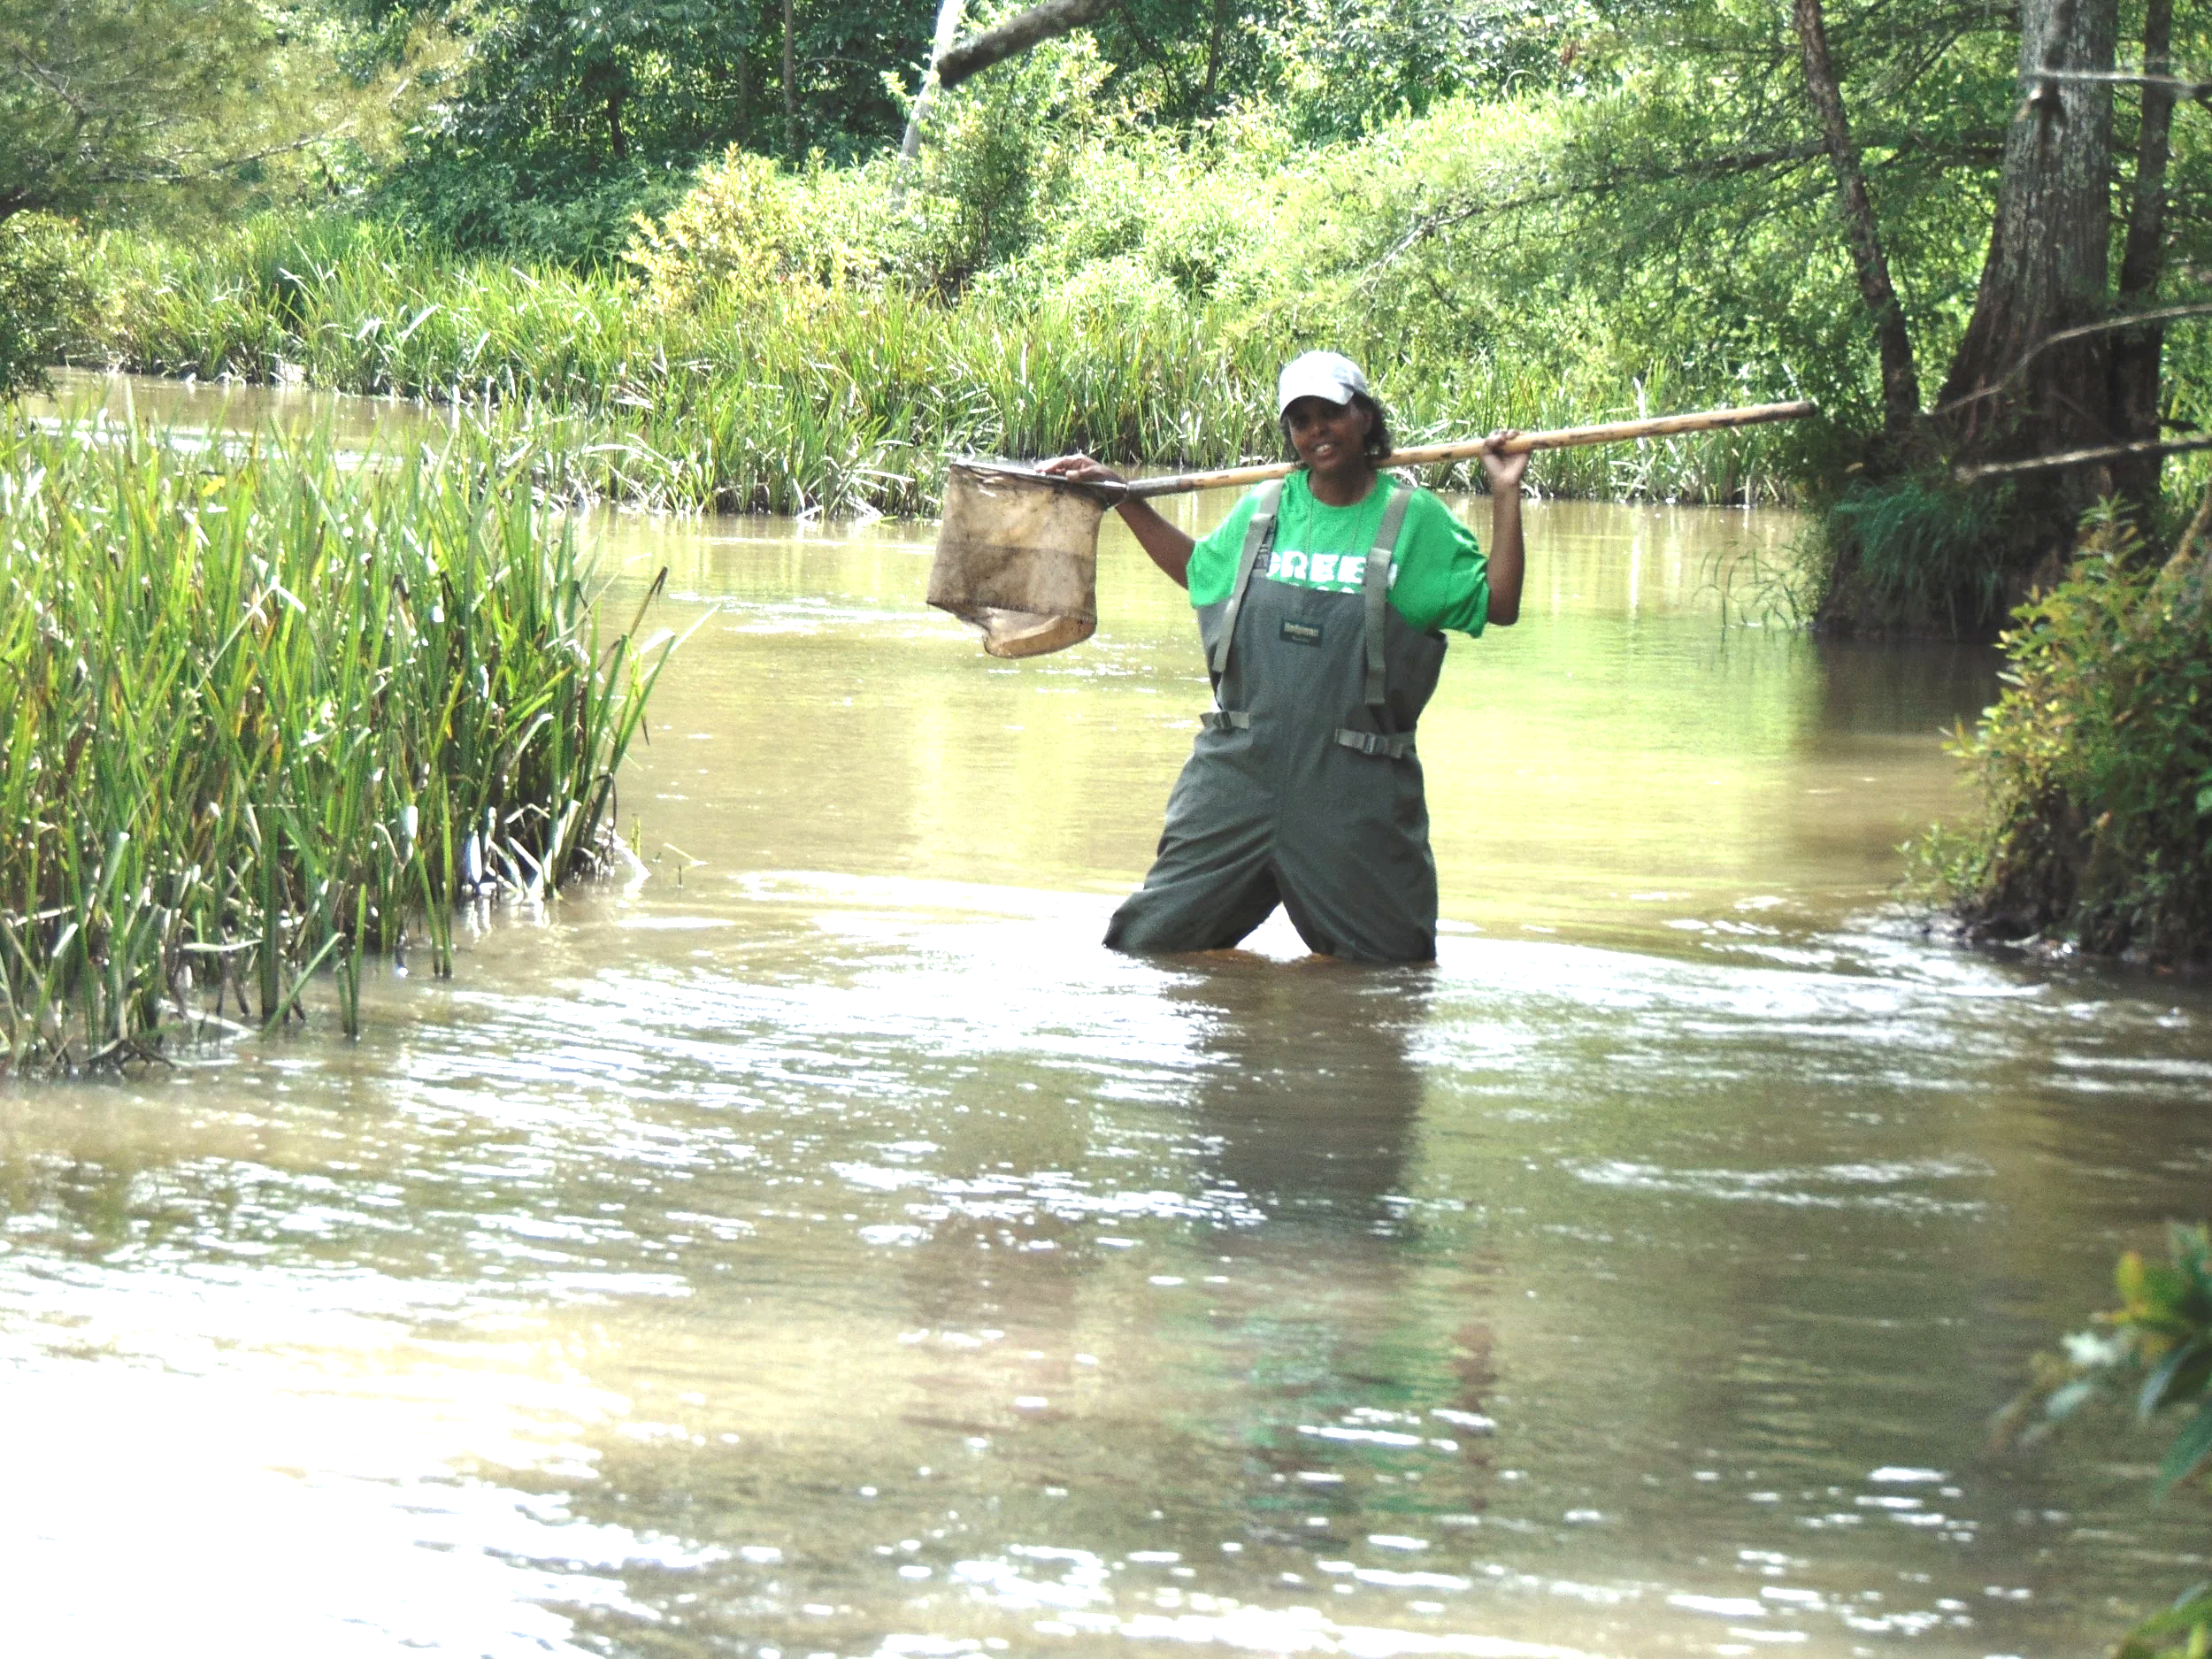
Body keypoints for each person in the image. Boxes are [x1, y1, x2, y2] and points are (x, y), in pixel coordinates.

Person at [1041, 350, 1527, 964]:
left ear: (1365, 419)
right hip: (1237, 777)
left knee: (1390, 977)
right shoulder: (1265, 510)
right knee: (1146, 948)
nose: (1317, 430)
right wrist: (1122, 498)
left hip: (1355, 794)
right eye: (1301, 420)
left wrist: (1505, 494)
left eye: (1331, 414)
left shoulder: (1414, 520)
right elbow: (1199, 572)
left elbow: (1500, 603)